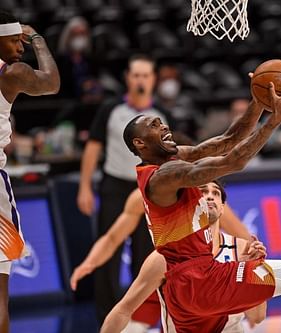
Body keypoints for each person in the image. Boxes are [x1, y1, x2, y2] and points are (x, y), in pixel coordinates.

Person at [122, 72, 281, 333]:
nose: (163, 126)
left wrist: (258, 103)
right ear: (140, 143)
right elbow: (233, 161)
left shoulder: (168, 161)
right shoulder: (163, 177)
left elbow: (227, 141)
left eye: (161, 122)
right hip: (200, 280)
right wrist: (276, 119)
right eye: (153, 125)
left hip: (184, 288)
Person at [101, 181, 281, 333]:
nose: (209, 196)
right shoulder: (164, 257)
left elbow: (257, 317)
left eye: (215, 193)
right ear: (193, 204)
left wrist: (253, 264)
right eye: (202, 191)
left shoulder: (242, 249)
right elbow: (123, 309)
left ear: (222, 207)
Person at [70, 187, 252, 332]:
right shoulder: (143, 197)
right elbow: (112, 238)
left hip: (194, 281)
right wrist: (89, 263)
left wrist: (251, 281)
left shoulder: (204, 196)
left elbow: (244, 238)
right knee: (128, 324)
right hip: (158, 276)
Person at [76, 54, 172, 324]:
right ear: (128, 78)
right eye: (136, 75)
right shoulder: (110, 109)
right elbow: (93, 147)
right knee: (110, 252)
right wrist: (85, 187)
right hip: (115, 187)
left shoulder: (163, 116)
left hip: (149, 189)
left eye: (146, 75)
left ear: (153, 80)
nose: (141, 80)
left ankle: (140, 317)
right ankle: (106, 317)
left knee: (145, 257)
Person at [0, 10, 60, 333]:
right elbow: (51, 83)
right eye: (14, 40)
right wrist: (37, 37)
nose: (20, 47)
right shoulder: (11, 73)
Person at [154, 63, 202, 141]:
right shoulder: (152, 104)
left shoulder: (187, 102)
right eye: (165, 79)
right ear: (157, 81)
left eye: (172, 79)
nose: (169, 83)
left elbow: (199, 128)